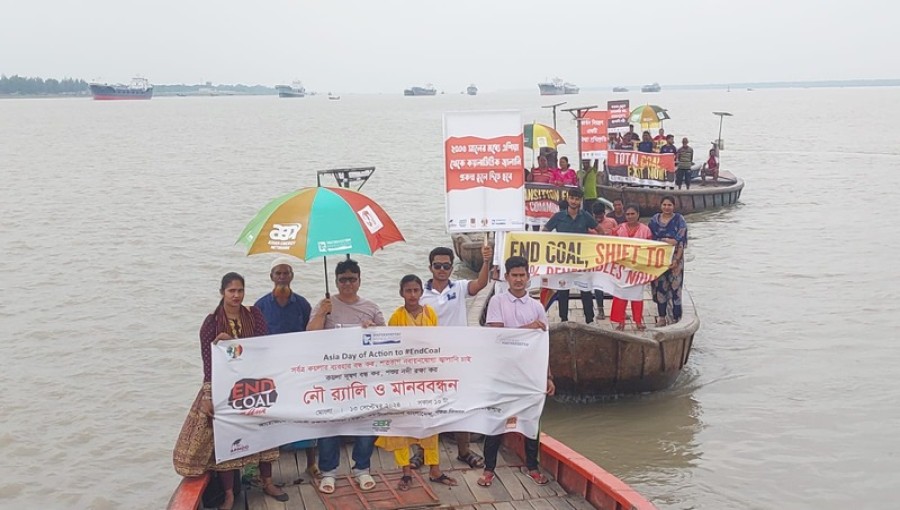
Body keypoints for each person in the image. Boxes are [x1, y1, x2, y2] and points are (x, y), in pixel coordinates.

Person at [188, 272, 288, 509]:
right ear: (222, 292)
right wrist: (208, 396)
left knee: (264, 432)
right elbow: (208, 363)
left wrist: (234, 343)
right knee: (229, 437)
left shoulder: (254, 315)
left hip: (255, 384)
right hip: (226, 391)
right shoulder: (211, 323)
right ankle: (229, 493)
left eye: (240, 290)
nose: (236, 295)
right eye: (231, 291)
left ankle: (268, 481)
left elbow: (264, 347)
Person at [308, 259, 385, 494]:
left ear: (360, 280)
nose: (347, 283)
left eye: (352, 278)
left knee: (365, 424)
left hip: (364, 378)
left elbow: (387, 339)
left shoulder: (371, 307)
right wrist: (322, 312)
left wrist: (372, 329)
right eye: (343, 279)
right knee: (330, 424)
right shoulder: (325, 305)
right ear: (335, 281)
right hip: (332, 378)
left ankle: (362, 468)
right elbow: (309, 337)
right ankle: (328, 471)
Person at [477, 256, 555, 488]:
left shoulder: (537, 306)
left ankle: (532, 466)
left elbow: (544, 344)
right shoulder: (498, 302)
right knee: (495, 421)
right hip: (502, 372)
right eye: (514, 275)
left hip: (529, 374)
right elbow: (497, 336)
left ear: (528, 277)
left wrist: (548, 376)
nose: (519, 280)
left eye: (522, 275)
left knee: (532, 422)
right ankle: (488, 469)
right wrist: (526, 329)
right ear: (507, 277)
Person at [376, 275, 458, 491]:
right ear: (401, 293)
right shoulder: (396, 317)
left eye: (415, 290)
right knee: (402, 426)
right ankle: (405, 472)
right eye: (408, 291)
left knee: (431, 425)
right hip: (404, 380)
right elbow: (391, 347)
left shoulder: (429, 313)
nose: (412, 295)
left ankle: (435, 469)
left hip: (427, 379)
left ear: (421, 292)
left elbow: (436, 342)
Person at [420, 244, 492, 470]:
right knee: (426, 407)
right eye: (437, 265)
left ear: (452, 268)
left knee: (462, 405)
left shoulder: (459, 287)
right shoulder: (419, 292)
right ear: (430, 267)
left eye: (446, 266)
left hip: (457, 357)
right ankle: (422, 452)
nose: (441, 269)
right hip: (429, 359)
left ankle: (464, 451)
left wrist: (486, 261)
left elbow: (480, 284)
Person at [253, 258, 318, 479]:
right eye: (278, 273)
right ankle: (268, 466)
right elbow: (254, 338)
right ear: (271, 276)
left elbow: (311, 333)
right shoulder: (260, 306)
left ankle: (311, 463)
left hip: (297, 368)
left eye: (286, 273)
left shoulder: (302, 304)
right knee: (271, 414)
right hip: (271, 370)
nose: (282, 277)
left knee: (306, 412)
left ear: (292, 276)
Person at [543, 187, 599, 323]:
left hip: (583, 261)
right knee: (563, 291)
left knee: (585, 291)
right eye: (572, 198)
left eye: (577, 199)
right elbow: (544, 231)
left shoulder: (586, 216)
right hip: (564, 261)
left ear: (581, 201)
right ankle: (563, 319)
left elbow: (600, 230)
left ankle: (589, 319)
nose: (574, 201)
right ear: (568, 199)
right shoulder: (558, 216)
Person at [610, 205, 653, 331]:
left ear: (638, 214)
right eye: (628, 214)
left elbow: (650, 249)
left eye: (632, 214)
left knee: (637, 295)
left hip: (638, 267)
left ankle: (638, 321)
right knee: (620, 294)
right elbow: (612, 246)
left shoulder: (646, 230)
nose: (630, 216)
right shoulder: (618, 229)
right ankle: (621, 322)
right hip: (622, 267)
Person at [649, 197, 688, 326]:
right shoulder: (654, 220)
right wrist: (665, 241)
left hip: (676, 258)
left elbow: (680, 241)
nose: (667, 207)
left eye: (669, 205)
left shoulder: (679, 220)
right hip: (659, 259)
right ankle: (661, 317)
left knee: (675, 288)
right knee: (660, 288)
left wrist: (677, 260)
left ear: (674, 206)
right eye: (664, 204)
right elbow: (649, 238)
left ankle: (676, 317)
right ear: (661, 206)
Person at [590, 202, 618, 320]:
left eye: (600, 215)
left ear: (604, 213)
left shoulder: (612, 222)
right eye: (596, 216)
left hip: (611, 258)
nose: (598, 218)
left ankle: (617, 309)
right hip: (595, 260)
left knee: (615, 284)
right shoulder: (589, 224)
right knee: (598, 285)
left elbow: (618, 237)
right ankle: (600, 310)